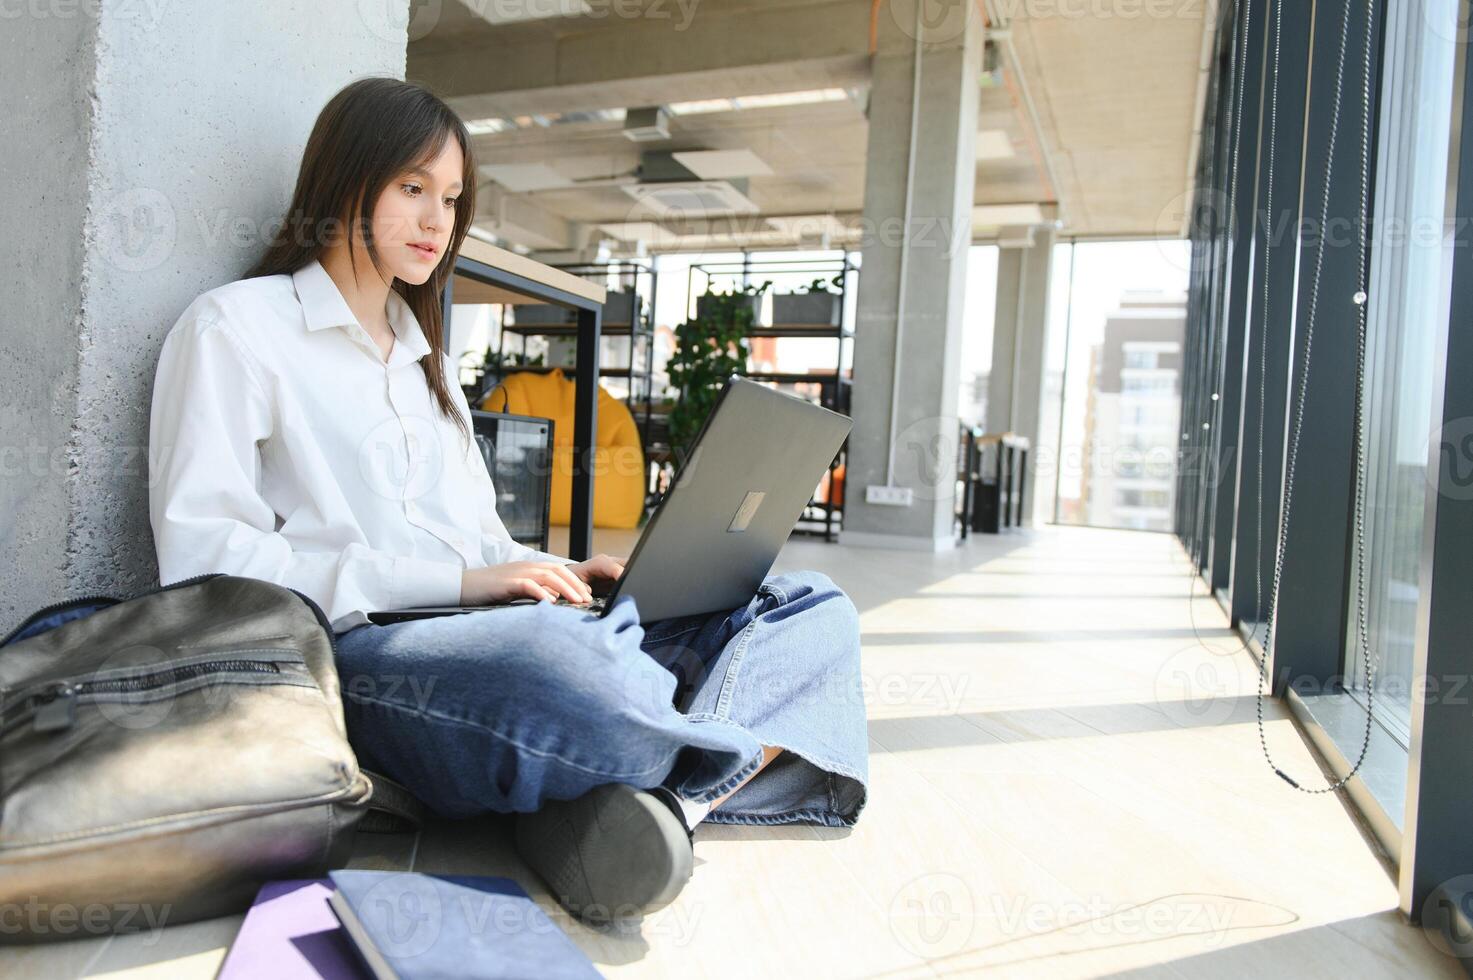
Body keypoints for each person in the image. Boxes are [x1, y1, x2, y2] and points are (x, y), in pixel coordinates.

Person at [147, 76, 868, 926]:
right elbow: (206, 568)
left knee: (806, 605)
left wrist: (563, 571)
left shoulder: (427, 362)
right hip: (366, 660)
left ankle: (658, 806)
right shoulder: (234, 329)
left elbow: (481, 541)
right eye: (412, 189)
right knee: (567, 672)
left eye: (450, 199)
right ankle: (654, 765)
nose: (435, 222)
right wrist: (457, 588)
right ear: (344, 182)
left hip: (496, 635)